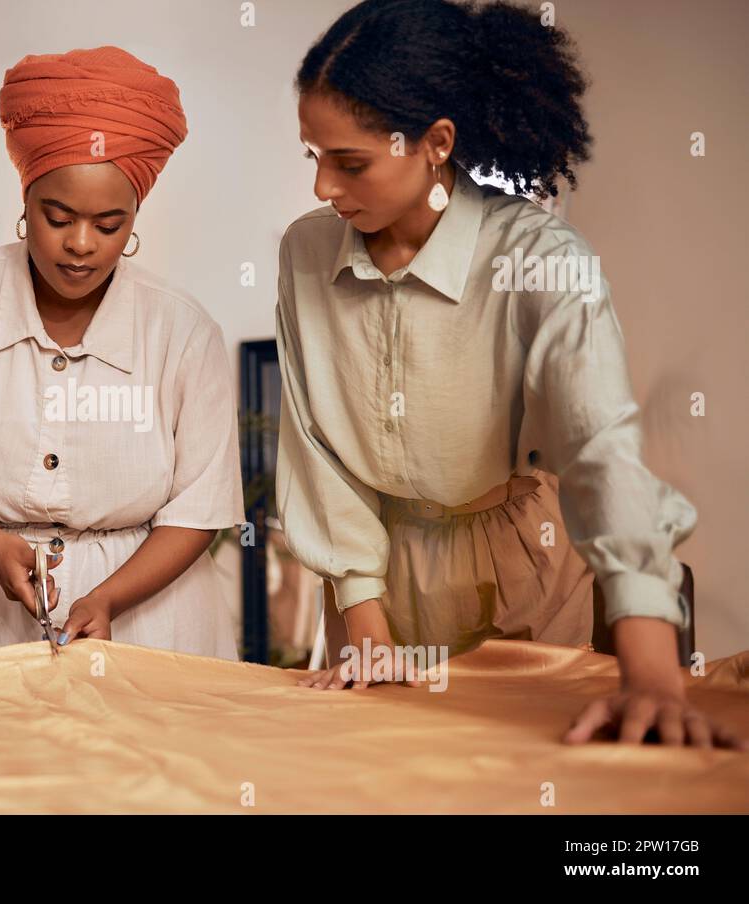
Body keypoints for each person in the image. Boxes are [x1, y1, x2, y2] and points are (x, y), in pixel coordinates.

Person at [277, 0, 741, 748]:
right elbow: (316, 445)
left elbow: (600, 450)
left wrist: (654, 677)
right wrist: (365, 622)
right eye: (314, 157)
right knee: (387, 771)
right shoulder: (305, 254)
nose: (322, 188)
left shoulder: (543, 258)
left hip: (532, 555)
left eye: (350, 162)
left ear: (436, 143)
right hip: (384, 572)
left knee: (528, 766)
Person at [0, 46, 244, 659]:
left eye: (108, 224)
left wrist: (109, 598)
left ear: (134, 219)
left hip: (152, 622)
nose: (80, 245)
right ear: (25, 200)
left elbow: (200, 508)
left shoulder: (181, 329)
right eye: (58, 216)